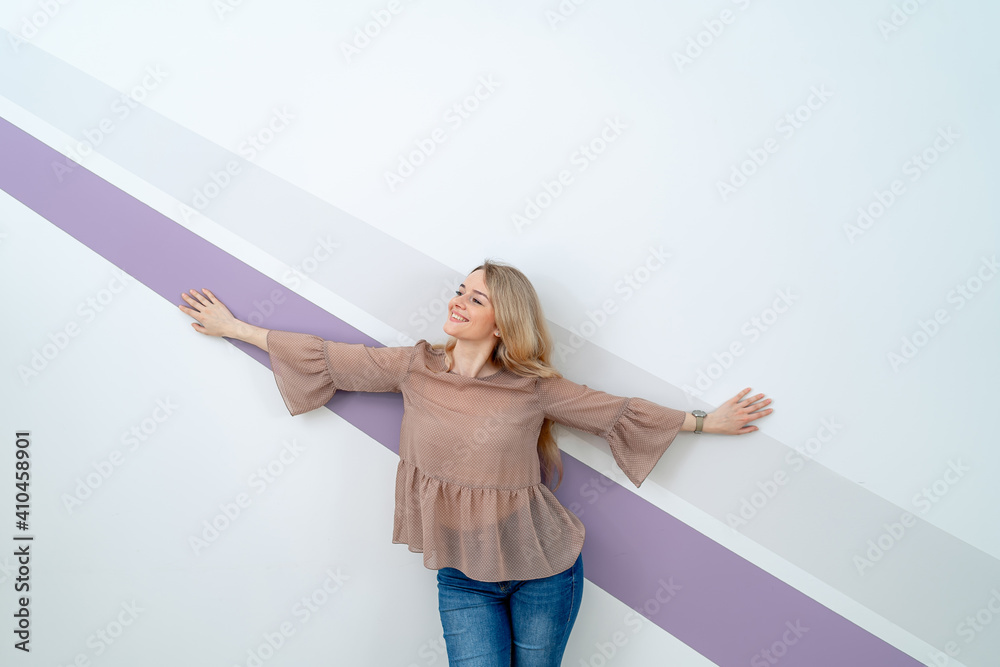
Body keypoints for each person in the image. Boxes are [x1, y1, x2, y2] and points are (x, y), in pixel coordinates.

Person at [178, 259, 773, 666]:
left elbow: (614, 411)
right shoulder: (414, 366)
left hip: (544, 570)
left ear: (502, 318)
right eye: (459, 291)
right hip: (463, 576)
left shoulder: (533, 388)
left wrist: (706, 421)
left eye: (475, 297)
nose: (458, 301)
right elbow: (331, 358)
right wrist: (235, 328)